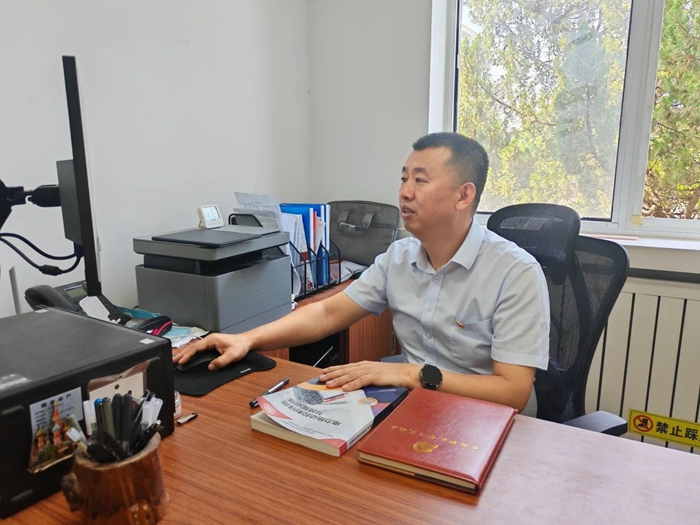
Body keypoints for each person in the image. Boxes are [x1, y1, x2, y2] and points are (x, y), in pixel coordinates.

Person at [173, 132, 550, 416]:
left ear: (464, 196)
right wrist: (246, 339)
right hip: (416, 406)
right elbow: (327, 313)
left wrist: (410, 374)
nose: (405, 192)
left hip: (489, 419)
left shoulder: (515, 272)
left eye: (420, 180)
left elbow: (513, 392)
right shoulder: (399, 257)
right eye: (403, 178)